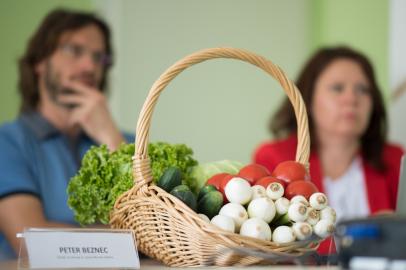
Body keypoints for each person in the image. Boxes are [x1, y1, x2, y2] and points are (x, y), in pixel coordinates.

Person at [0, 9, 133, 260]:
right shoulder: (7, 142)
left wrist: (113, 139)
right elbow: (29, 241)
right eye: (74, 50)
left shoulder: (125, 141)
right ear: (40, 61)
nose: (90, 66)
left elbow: (159, 232)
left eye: (99, 57)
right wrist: (126, 239)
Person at [253, 46, 404, 254]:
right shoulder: (274, 157)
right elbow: (264, 246)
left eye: (363, 90)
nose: (352, 99)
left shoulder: (395, 159)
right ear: (309, 98)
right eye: (337, 88)